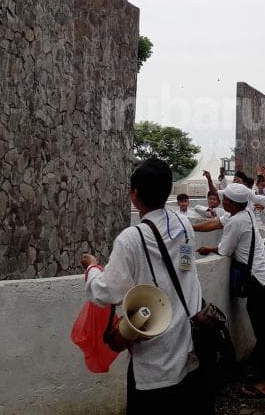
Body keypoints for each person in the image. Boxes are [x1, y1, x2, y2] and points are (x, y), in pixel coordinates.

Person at [81, 158, 210, 414]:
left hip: (156, 362)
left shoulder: (131, 239)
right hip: (190, 347)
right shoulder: (183, 224)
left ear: (134, 194)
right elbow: (186, 267)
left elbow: (104, 292)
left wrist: (92, 268)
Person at [196, 182, 265, 398]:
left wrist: (207, 248)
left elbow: (225, 250)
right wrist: (191, 226)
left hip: (259, 281)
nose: (221, 201)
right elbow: (216, 222)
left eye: (224, 199)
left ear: (232, 203)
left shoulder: (236, 221)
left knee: (264, 331)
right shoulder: (245, 214)